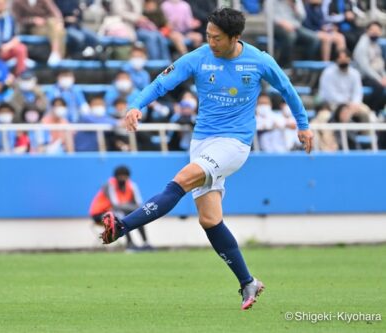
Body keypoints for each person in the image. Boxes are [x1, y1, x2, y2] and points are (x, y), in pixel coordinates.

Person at [99, 8, 314, 310]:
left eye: (216, 38)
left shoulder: (259, 60)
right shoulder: (198, 57)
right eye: (208, 35)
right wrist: (136, 105)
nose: (210, 41)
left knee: (180, 181)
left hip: (234, 144)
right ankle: (247, 282)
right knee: (209, 219)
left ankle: (121, 227)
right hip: (201, 143)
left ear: (235, 38)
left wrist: (303, 125)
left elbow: (288, 90)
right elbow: (162, 82)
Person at [89, 165, 151, 250]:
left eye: (124, 176)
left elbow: (139, 204)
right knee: (121, 216)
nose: (122, 179)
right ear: (116, 177)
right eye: (120, 176)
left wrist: (133, 210)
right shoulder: (109, 185)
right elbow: (115, 205)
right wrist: (130, 207)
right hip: (99, 214)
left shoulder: (132, 186)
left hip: (116, 212)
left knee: (137, 215)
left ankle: (146, 243)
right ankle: (129, 244)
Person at [352, 21, 386, 114]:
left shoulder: (376, 44)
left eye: (377, 30)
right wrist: (379, 79)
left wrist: (384, 77)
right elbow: (365, 67)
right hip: (362, 76)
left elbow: (380, 64)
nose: (375, 32)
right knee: (379, 87)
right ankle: (374, 112)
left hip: (374, 76)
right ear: (367, 31)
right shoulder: (362, 45)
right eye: (372, 30)